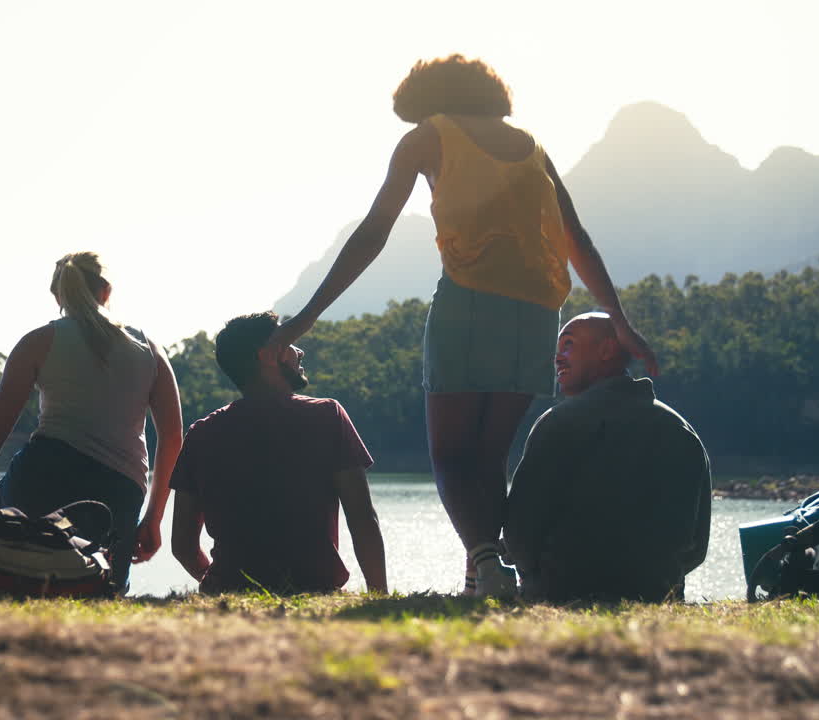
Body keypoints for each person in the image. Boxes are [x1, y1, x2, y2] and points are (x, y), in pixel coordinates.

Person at [267, 55, 659, 596]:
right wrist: (621, 323)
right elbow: (579, 241)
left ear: (429, 99)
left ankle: (486, 561)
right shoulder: (531, 146)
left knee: (450, 453)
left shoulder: (428, 137)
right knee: (490, 455)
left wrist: (306, 317)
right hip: (539, 311)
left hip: (472, 302)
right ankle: (486, 575)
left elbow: (375, 231)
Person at [0, 252, 182, 593]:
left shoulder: (38, 342)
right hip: (117, 495)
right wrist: (153, 519)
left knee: (3, 559)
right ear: (106, 291)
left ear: (58, 296)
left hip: (41, 475)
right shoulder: (148, 349)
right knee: (101, 588)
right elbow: (171, 438)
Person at [169, 312, 387, 594]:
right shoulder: (327, 416)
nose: (300, 350)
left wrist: (218, 582)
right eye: (290, 342)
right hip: (314, 587)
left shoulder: (201, 434)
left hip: (228, 589)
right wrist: (379, 596)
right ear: (267, 356)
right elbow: (362, 519)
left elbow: (182, 546)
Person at [504, 313, 710, 602]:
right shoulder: (680, 429)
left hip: (558, 596)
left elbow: (518, 539)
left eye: (568, 345)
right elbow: (697, 547)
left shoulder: (557, 424)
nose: (557, 358)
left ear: (606, 350)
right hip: (655, 596)